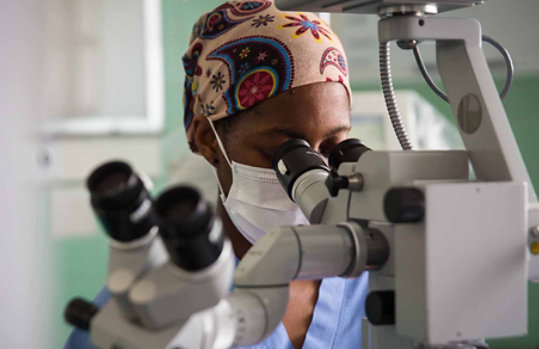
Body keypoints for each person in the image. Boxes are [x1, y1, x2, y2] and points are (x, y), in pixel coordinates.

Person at [64, 1, 368, 348]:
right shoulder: (145, 315)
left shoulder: (384, 278)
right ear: (209, 140)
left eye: (331, 148)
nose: (314, 177)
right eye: (283, 153)